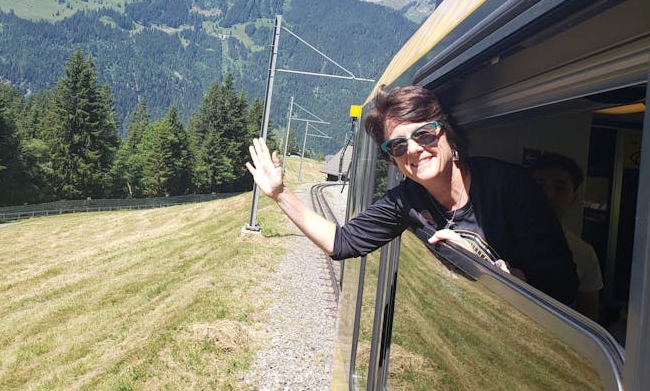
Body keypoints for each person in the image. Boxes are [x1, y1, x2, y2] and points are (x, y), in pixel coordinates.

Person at [247, 85, 579, 305]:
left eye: (425, 133)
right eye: (399, 145)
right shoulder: (407, 200)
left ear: (447, 133)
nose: (415, 150)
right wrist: (279, 193)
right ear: (392, 158)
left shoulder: (510, 186)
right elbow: (342, 242)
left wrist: (492, 271)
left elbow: (561, 284)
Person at [529, 152, 603, 321]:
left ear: (574, 197)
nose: (548, 195)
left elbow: (589, 318)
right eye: (539, 185)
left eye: (559, 187)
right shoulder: (503, 235)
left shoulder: (584, 253)